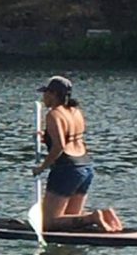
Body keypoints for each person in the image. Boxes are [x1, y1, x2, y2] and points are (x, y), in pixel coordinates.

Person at [37, 76, 125, 232]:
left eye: (46, 93)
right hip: (85, 167)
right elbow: (70, 137)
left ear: (53, 94)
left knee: (48, 222)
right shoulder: (75, 112)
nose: (43, 97)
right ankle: (105, 215)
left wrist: (41, 167)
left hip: (67, 169)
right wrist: (45, 136)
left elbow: (59, 147)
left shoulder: (53, 114)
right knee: (70, 218)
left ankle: (93, 217)